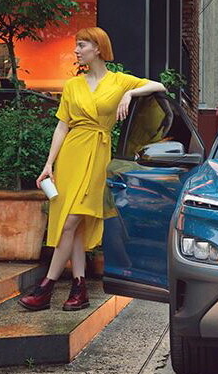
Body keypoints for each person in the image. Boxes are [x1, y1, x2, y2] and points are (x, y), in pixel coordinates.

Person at [19, 27, 167, 311]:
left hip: (97, 153)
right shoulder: (73, 85)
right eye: (76, 45)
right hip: (71, 155)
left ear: (98, 48)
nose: (76, 50)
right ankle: (79, 288)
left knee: (71, 221)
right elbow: (62, 126)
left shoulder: (119, 81)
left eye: (82, 45)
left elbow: (159, 86)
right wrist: (49, 163)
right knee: (73, 225)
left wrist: (130, 94)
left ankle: (46, 287)